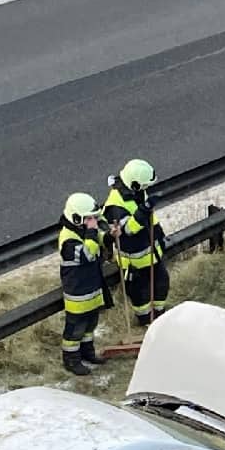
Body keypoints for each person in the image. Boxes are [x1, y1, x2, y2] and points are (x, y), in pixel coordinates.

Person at [102, 158, 169, 326]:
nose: (147, 189)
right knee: (141, 295)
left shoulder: (136, 192)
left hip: (152, 253)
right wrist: (144, 209)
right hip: (134, 262)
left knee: (161, 285)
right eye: (145, 186)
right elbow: (128, 230)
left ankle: (160, 317)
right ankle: (146, 321)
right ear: (135, 184)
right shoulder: (115, 206)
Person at [58, 192, 108, 376]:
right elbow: (87, 253)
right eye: (89, 218)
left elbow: (99, 240)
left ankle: (88, 353)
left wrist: (109, 235)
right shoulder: (68, 240)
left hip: (91, 290)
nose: (92, 221)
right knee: (75, 331)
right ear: (77, 218)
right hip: (77, 295)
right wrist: (93, 231)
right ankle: (71, 360)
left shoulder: (81, 230)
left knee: (90, 326)